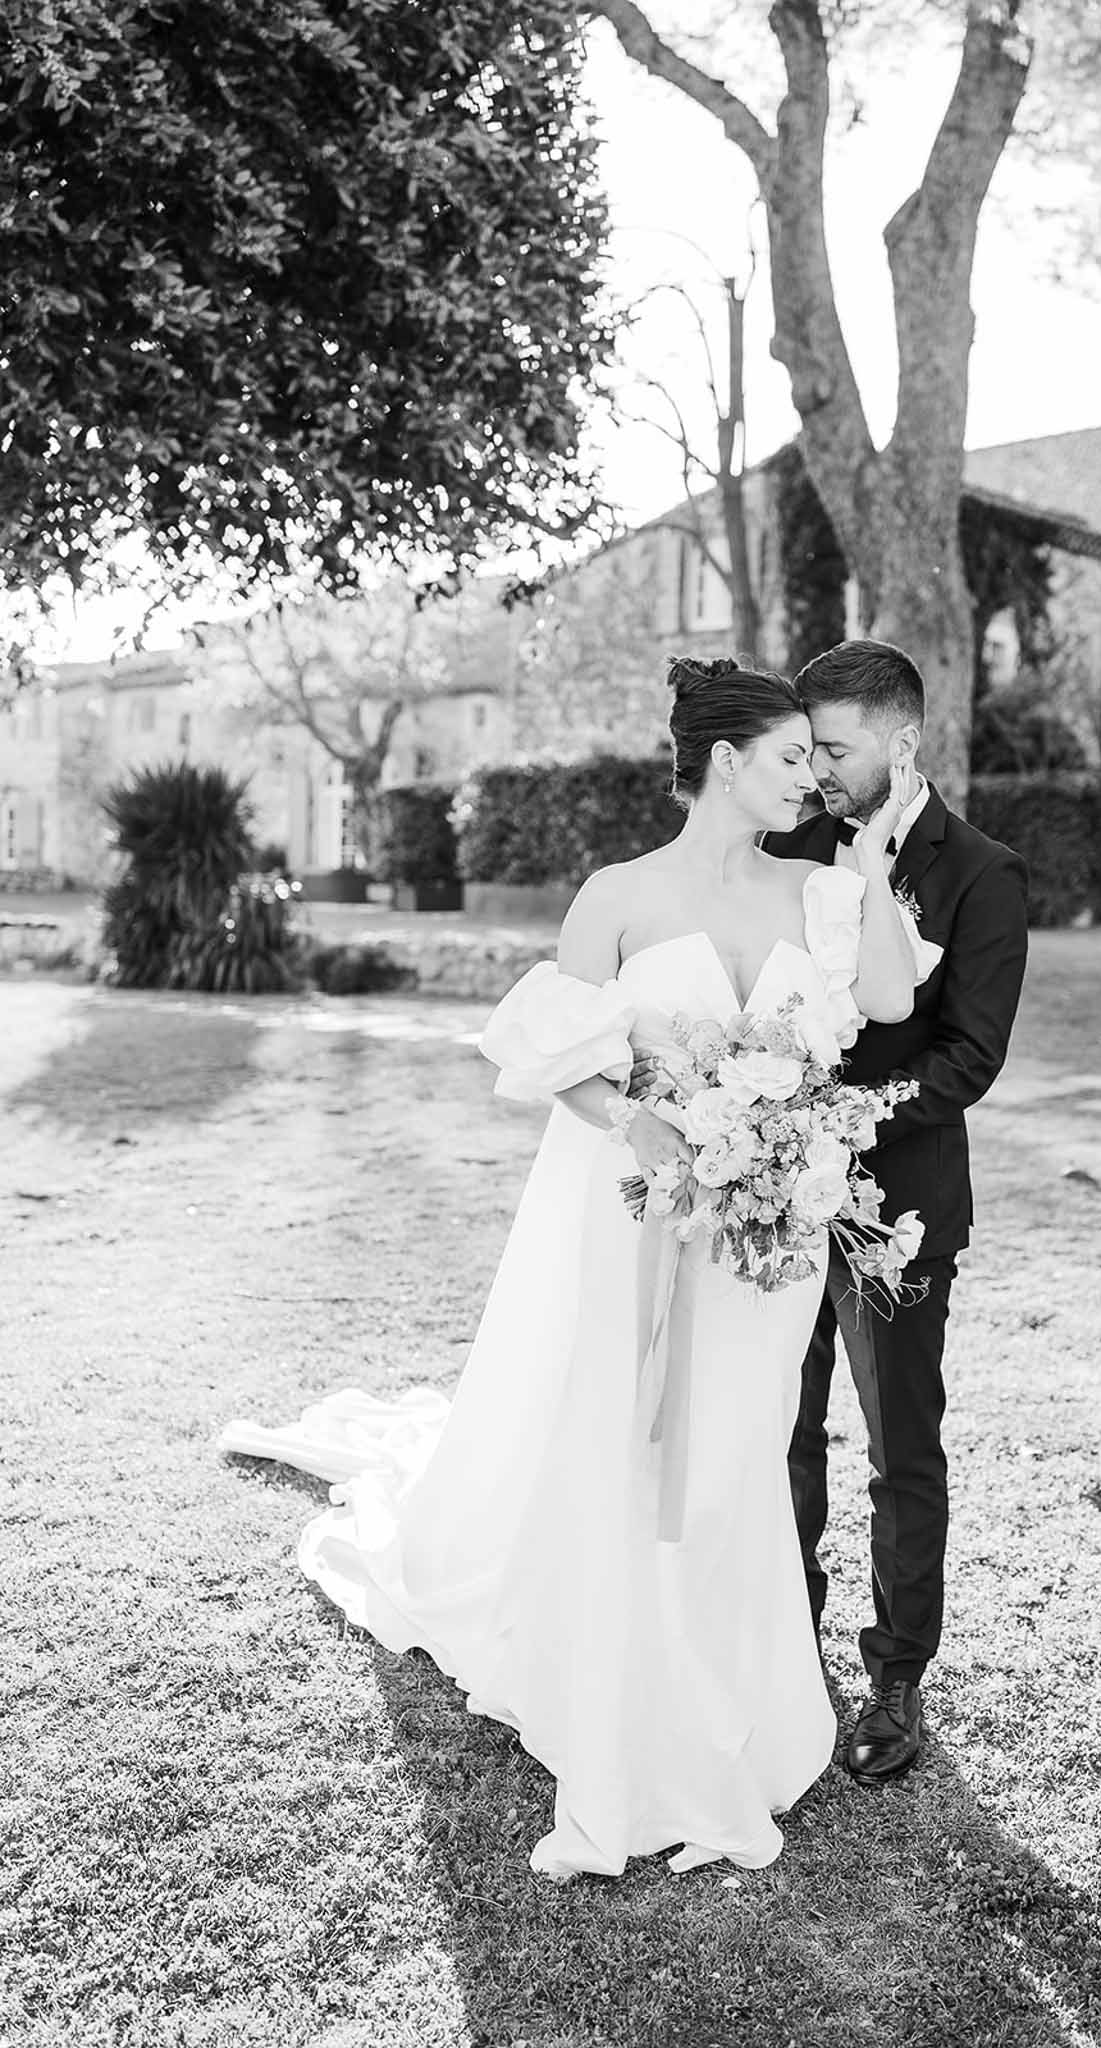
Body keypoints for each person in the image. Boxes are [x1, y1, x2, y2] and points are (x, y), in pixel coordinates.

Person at [220, 655, 940, 1880]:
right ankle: (627, 1703)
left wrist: (869, 875)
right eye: (789, 758)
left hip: (764, 1240)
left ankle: (725, 1688)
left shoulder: (825, 888)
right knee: (634, 1444)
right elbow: (558, 1061)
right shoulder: (614, 895)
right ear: (726, 760)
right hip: (641, 1220)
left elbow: (878, 997)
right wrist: (649, 1123)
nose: (811, 780)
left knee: (732, 1454)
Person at [765, 639, 1029, 1788]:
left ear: (902, 740)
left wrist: (841, 1121)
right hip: (772, 1188)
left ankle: (897, 1673)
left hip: (899, 1203)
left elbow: (967, 1059)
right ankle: (784, 1638)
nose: (817, 766)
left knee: (897, 1444)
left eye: (834, 745)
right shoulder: (789, 847)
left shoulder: (981, 872)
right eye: (808, 745)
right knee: (782, 1423)